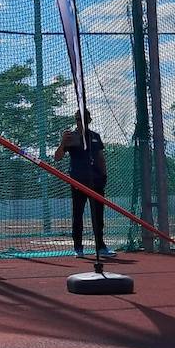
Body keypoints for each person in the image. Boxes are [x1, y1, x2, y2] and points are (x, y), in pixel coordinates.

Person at [53, 110, 115, 258]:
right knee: (78, 215)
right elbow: (57, 157)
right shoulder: (71, 137)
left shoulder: (95, 137)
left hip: (96, 181)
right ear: (75, 121)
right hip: (78, 181)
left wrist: (104, 176)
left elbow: (100, 158)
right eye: (78, 120)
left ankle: (100, 246)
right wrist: (63, 142)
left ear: (89, 120)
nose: (81, 123)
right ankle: (78, 248)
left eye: (84, 120)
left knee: (98, 215)